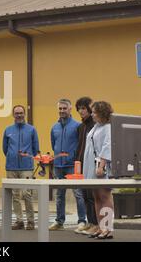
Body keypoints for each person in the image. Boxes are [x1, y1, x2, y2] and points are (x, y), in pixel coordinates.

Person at [49, 98, 86, 232]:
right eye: (60, 108)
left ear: (70, 109)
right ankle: (59, 221)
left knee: (78, 194)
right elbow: (54, 145)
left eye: (65, 108)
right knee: (59, 195)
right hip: (58, 165)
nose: (62, 111)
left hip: (72, 165)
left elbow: (81, 144)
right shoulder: (54, 127)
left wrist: (75, 158)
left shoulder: (77, 126)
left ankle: (82, 221)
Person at [3, 105, 39, 231]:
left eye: (21, 113)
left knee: (27, 194)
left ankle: (30, 221)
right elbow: (4, 148)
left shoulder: (31, 130)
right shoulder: (8, 130)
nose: (19, 115)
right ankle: (19, 221)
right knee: (15, 195)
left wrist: (27, 158)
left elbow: (35, 149)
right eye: (17, 113)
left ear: (24, 114)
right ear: (13, 115)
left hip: (26, 167)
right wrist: (12, 156)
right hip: (11, 167)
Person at [83, 101, 115, 240]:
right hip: (91, 166)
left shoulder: (108, 128)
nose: (92, 114)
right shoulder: (96, 126)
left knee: (104, 196)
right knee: (96, 197)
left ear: (102, 113)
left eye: (95, 112)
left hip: (101, 167)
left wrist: (101, 166)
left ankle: (108, 228)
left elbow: (107, 147)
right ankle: (101, 227)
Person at [75, 97, 98, 235]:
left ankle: (95, 224)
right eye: (79, 108)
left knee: (92, 196)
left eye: (83, 108)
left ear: (89, 109)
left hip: (91, 165)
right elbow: (80, 147)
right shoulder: (81, 126)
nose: (81, 111)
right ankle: (90, 223)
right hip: (81, 164)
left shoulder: (94, 125)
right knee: (85, 195)